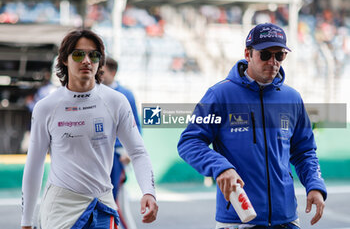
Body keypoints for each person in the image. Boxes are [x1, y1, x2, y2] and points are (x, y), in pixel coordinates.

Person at [178, 23, 326, 229]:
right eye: (265, 54)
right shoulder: (220, 95)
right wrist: (220, 168)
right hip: (238, 220)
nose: (273, 62)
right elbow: (190, 142)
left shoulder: (292, 98)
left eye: (280, 55)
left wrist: (315, 186)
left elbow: (305, 151)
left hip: (286, 220)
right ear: (247, 54)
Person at [21, 29, 158, 229]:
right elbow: (34, 165)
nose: (86, 60)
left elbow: (137, 151)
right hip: (60, 208)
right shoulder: (46, 107)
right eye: (78, 54)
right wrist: (26, 221)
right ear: (65, 60)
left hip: (102, 205)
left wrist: (149, 191)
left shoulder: (116, 101)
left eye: (93, 55)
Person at [101, 56, 142, 229]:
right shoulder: (94, 92)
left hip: (117, 155)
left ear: (113, 72)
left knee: (116, 199)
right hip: (100, 154)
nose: (99, 75)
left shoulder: (126, 94)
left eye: (102, 72)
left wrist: (129, 152)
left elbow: (136, 126)